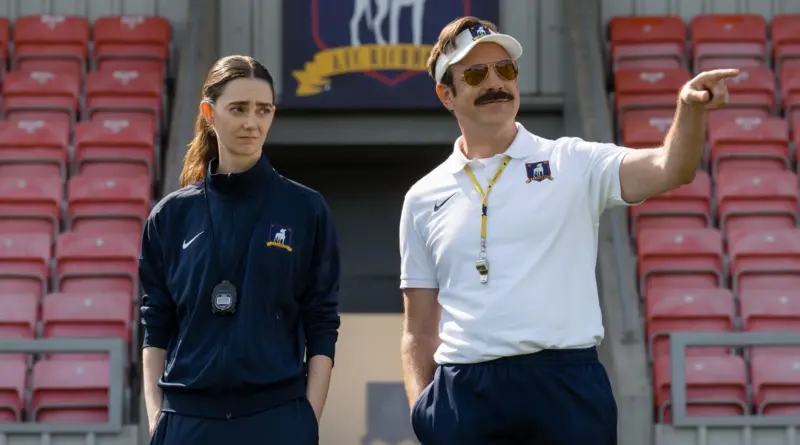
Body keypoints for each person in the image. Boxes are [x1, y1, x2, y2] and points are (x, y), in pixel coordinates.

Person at [398, 16, 737, 445]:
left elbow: (671, 168)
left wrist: (689, 111)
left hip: (566, 385)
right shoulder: (422, 197)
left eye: (505, 70)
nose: (496, 83)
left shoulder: (572, 161)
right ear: (446, 95)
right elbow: (418, 330)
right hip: (464, 393)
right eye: (476, 74)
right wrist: (422, 412)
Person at [139, 55, 341, 445]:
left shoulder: (306, 209)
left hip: (277, 419)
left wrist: (307, 419)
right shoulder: (170, 216)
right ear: (209, 113)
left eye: (263, 110)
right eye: (238, 109)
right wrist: (157, 418)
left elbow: (322, 322)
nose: (252, 122)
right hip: (187, 421)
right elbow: (156, 324)